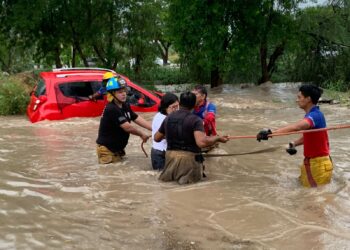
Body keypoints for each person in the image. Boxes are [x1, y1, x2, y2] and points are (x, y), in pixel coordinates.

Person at [257, 84, 333, 187]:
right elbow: (312, 137)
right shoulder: (314, 114)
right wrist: (294, 143)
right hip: (313, 164)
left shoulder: (314, 116)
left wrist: (270, 134)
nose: (297, 100)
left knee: (314, 200)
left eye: (299, 97)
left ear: (308, 99)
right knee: (309, 196)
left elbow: (296, 127)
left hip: (318, 165)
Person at [154, 91, 229, 184]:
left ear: (180, 103)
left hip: (170, 160)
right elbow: (201, 142)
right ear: (194, 105)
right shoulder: (195, 120)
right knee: (189, 191)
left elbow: (156, 138)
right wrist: (217, 138)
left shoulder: (168, 118)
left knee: (170, 188)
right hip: (188, 162)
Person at [96, 77, 152, 164]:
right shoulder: (112, 109)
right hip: (107, 151)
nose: (124, 94)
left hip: (118, 150)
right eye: (120, 92)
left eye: (124, 91)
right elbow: (127, 127)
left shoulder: (125, 105)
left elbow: (136, 118)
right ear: (112, 94)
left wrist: (154, 128)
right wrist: (142, 134)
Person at [151, 93, 179, 171]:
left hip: (162, 152)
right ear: (165, 107)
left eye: (177, 106)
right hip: (160, 154)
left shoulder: (165, 116)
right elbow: (170, 136)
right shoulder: (162, 119)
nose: (176, 109)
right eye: (173, 107)